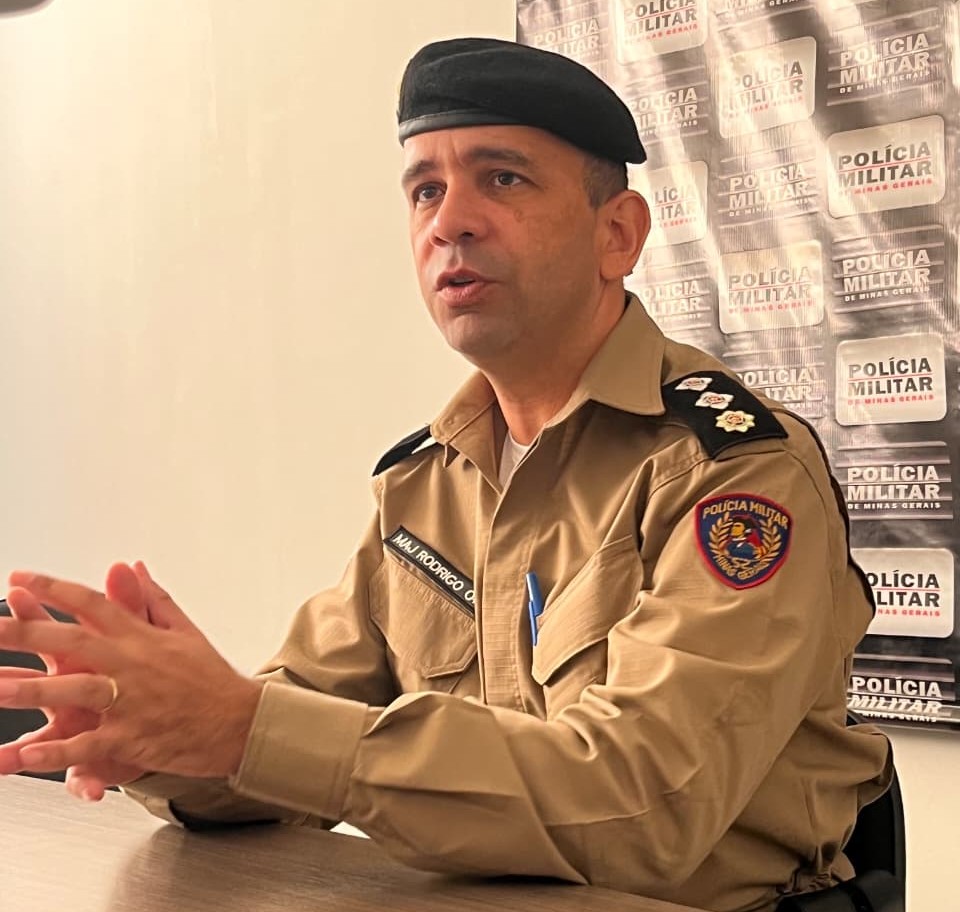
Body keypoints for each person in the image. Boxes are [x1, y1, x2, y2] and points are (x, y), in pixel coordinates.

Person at [0, 37, 892, 912]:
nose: (449, 220)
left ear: (617, 234)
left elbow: (641, 809)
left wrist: (241, 727)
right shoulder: (427, 481)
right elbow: (293, 726)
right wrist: (164, 737)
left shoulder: (733, 473)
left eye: (502, 179)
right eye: (425, 189)